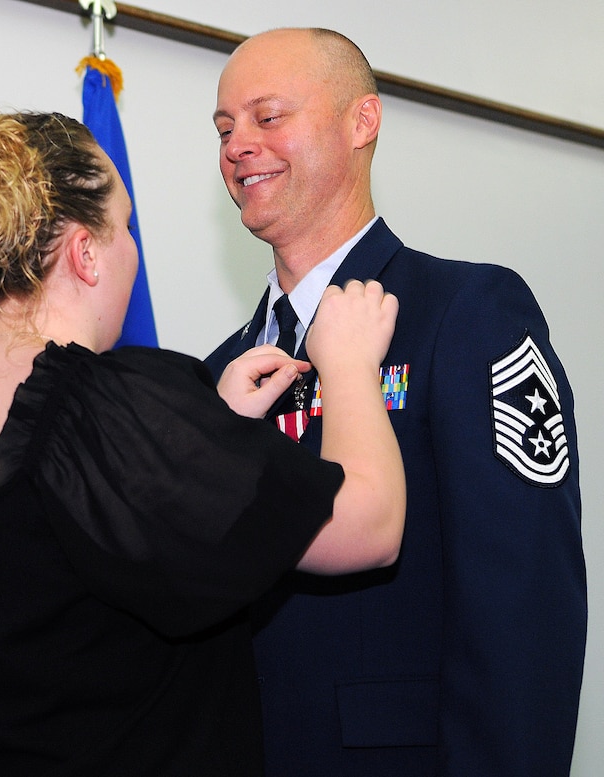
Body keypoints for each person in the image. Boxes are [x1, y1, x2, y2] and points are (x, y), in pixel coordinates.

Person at [0, 103, 404, 776]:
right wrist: (348, 368)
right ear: (85, 251)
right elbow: (370, 524)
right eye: (124, 225)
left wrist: (202, 434)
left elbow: (23, 587)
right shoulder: (96, 406)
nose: (132, 247)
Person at [207, 27, 585, 777]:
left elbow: (524, 607)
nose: (238, 145)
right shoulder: (220, 373)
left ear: (361, 122)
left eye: (268, 116)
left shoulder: (466, 313)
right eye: (224, 129)